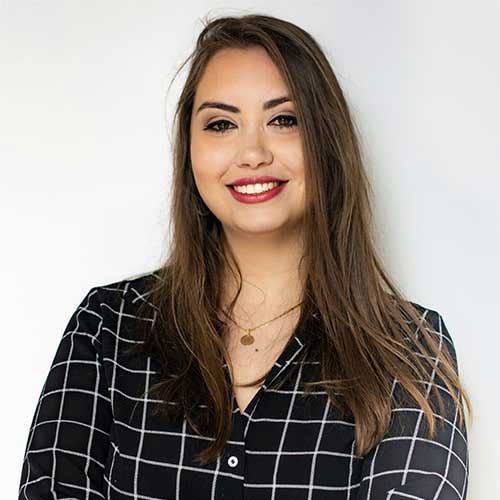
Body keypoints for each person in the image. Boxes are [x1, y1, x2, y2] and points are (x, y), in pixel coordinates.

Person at [18, 13, 472, 500]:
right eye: (221, 124)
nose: (252, 153)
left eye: (283, 120)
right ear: (190, 151)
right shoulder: (106, 328)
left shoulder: (409, 352)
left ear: (326, 140)